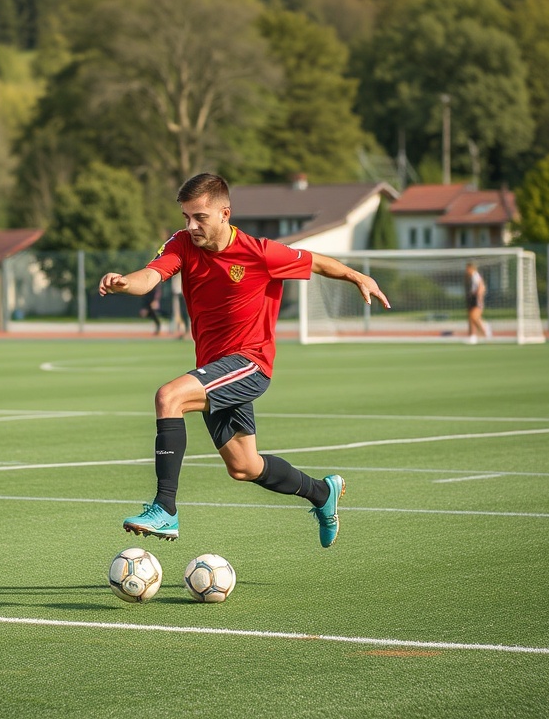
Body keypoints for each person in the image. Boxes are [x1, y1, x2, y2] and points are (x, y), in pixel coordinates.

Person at [98, 173, 390, 549]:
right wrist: (124, 282)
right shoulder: (182, 244)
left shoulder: (261, 252)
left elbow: (316, 262)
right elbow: (151, 276)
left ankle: (164, 508)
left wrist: (356, 276)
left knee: (169, 397)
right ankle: (321, 493)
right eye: (186, 216)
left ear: (225, 213)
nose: (191, 225)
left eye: (200, 217)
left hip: (249, 363)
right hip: (215, 367)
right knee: (244, 466)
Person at [465, 262, 489, 344]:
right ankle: (473, 336)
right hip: (472, 298)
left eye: (467, 269)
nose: (466, 270)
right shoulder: (471, 277)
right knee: (471, 318)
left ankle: (485, 331)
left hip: (476, 299)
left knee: (474, 316)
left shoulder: (476, 276)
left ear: (471, 268)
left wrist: (479, 296)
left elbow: (481, 286)